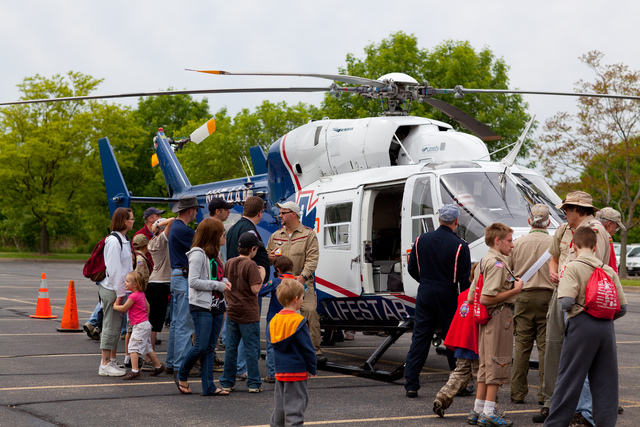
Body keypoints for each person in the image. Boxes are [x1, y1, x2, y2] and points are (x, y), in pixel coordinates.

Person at [535, 191, 611, 424]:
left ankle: (583, 413)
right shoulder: (570, 229)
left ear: (579, 209)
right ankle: (563, 407)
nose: (564, 213)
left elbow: (591, 268)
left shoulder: (594, 231)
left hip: (581, 300)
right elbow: (555, 258)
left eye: (567, 209)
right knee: (563, 353)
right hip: (568, 295)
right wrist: (555, 273)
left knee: (579, 357)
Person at [545, 226, 627, 427]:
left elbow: (565, 301)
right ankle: (605, 422)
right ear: (595, 245)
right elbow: (622, 307)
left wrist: (580, 312)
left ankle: (555, 423)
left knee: (569, 378)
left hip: (581, 324)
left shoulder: (572, 267)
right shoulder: (607, 270)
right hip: (606, 328)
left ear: (573, 245)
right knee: (605, 381)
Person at [404, 203, 471, 397]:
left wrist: (425, 282)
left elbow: (412, 269)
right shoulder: (460, 245)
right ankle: (459, 384)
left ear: (439, 219)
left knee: (419, 339)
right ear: (456, 221)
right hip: (447, 293)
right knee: (452, 339)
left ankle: (411, 384)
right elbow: (464, 280)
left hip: (425, 291)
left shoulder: (420, 240)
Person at [468, 223, 523, 427]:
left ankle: (478, 409)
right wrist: (515, 290)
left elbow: (471, 296)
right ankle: (489, 412)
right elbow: (486, 298)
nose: (513, 245)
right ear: (497, 240)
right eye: (509, 241)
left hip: (487, 319)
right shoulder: (498, 263)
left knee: (485, 364)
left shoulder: (484, 260)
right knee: (498, 362)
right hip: (498, 317)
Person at [175, 218, 232, 396]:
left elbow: (215, 277)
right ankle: (181, 374)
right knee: (200, 345)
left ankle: (209, 386)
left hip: (217, 305)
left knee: (209, 347)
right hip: (201, 305)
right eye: (222, 232)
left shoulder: (215, 254)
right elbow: (193, 282)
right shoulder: (197, 254)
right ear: (213, 234)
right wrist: (218, 286)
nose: (224, 236)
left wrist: (224, 281)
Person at [266, 201, 323, 363]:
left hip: (302, 282)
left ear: (294, 214)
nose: (280, 215)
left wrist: (303, 276)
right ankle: (281, 348)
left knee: (310, 311)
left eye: (283, 213)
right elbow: (267, 256)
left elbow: (312, 258)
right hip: (282, 284)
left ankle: (314, 351)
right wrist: (269, 258)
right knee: (277, 315)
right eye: (280, 213)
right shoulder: (276, 235)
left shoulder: (308, 234)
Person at [509, 204, 554, 405]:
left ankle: (517, 393)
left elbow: (508, 272)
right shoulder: (555, 243)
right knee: (546, 348)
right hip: (548, 297)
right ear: (549, 221)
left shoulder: (517, 244)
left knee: (521, 346)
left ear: (530, 221)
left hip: (523, 297)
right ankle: (544, 395)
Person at [224, 196, 270, 378]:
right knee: (247, 329)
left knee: (233, 330)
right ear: (260, 213)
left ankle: (234, 367)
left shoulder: (234, 227)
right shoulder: (250, 230)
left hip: (234, 284)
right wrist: (263, 270)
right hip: (248, 284)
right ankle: (241, 367)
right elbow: (251, 257)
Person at [219, 231, 266, 393]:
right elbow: (255, 289)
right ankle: (253, 383)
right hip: (248, 312)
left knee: (231, 348)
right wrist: (262, 273)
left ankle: (227, 381)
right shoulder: (251, 265)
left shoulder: (229, 263)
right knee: (251, 349)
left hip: (232, 310)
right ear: (253, 249)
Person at [268, 278, 317, 427]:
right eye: (302, 297)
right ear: (296, 299)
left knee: (280, 408)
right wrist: (312, 367)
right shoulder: (299, 322)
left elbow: (272, 343)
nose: (303, 300)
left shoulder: (274, 320)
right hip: (296, 371)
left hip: (280, 371)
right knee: (295, 408)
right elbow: (307, 349)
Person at [433, 263, 480, 418]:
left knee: (459, 373)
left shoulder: (463, 295)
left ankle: (443, 397)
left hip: (462, 342)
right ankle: (485, 408)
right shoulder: (482, 296)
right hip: (476, 343)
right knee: (483, 378)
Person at [166, 195, 202, 375]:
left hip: (177, 275)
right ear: (190, 210)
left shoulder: (176, 227)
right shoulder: (185, 231)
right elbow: (202, 249)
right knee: (185, 324)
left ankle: (172, 362)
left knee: (176, 323)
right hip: (183, 276)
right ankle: (182, 365)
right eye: (196, 209)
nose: (197, 212)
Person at [97, 207, 134, 377]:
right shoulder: (114, 241)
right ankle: (104, 364)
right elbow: (114, 269)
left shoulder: (123, 239)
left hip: (117, 289)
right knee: (110, 325)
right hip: (113, 289)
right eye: (131, 219)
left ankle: (110, 361)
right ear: (124, 221)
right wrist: (120, 293)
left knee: (115, 325)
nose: (133, 221)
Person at [113, 271, 165, 380]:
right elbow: (148, 306)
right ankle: (158, 366)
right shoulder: (141, 294)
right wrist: (145, 317)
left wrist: (114, 306)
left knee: (132, 347)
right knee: (147, 347)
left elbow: (123, 308)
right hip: (145, 323)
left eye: (127, 281)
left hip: (139, 325)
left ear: (135, 284)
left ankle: (135, 370)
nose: (125, 283)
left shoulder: (133, 296)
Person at [259, 255, 297, 383]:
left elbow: (261, 291)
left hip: (275, 317)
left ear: (278, 270)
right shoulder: (296, 281)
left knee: (272, 346)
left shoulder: (276, 281)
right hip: (292, 318)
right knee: (290, 345)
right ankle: (289, 371)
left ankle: (272, 374)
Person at [146, 217, 175, 354]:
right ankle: (149, 358)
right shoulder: (162, 240)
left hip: (153, 283)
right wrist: (157, 224)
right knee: (155, 325)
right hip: (161, 284)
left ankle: (147, 356)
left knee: (151, 323)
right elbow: (173, 220)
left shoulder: (152, 241)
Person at [596, 207, 625, 274]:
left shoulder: (586, 232)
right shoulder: (606, 237)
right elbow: (611, 265)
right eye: (616, 228)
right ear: (609, 225)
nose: (615, 231)